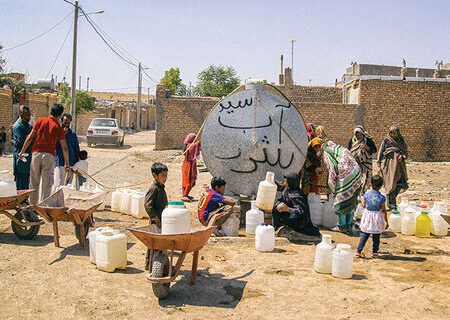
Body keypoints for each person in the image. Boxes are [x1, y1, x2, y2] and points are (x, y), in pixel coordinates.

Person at [19, 104, 69, 204]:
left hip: (36, 154)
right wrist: (67, 163)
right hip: (49, 156)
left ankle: (33, 207)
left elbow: (30, 137)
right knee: (47, 184)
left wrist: (22, 151)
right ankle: (43, 207)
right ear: (60, 115)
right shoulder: (58, 128)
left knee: (34, 182)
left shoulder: (39, 121)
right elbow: (64, 148)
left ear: (50, 111)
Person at [311, 137, 363, 233]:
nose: (317, 150)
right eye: (315, 148)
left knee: (341, 201)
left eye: (318, 147)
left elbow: (332, 170)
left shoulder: (326, 154)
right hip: (357, 174)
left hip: (346, 176)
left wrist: (332, 186)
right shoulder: (337, 148)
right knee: (351, 200)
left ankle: (342, 227)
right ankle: (349, 225)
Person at [272, 172, 321, 240]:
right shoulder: (288, 188)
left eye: (286, 181)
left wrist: (288, 209)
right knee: (276, 205)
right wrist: (271, 180)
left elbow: (301, 211)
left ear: (291, 182)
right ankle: (279, 227)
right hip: (291, 215)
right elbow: (280, 186)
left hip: (299, 221)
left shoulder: (296, 195)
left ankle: (288, 228)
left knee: (277, 210)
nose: (284, 182)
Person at [143, 162, 169, 269]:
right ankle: (151, 264)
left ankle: (151, 264)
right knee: (154, 243)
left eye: (166, 175)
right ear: (155, 176)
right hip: (156, 220)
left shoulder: (161, 187)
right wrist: (155, 217)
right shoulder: (154, 188)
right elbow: (147, 204)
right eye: (163, 175)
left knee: (155, 243)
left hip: (161, 219)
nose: (165, 177)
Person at [356, 175, 388, 258]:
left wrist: (360, 199)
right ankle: (375, 252)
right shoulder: (381, 197)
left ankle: (358, 251)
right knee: (376, 235)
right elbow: (383, 210)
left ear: (371, 184)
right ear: (381, 186)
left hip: (368, 216)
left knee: (364, 234)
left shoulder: (366, 195)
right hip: (377, 216)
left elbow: (363, 205)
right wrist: (386, 221)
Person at [377, 126, 409, 210]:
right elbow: (381, 152)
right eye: (391, 133)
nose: (392, 135)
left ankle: (391, 200)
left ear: (398, 133)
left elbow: (406, 152)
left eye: (394, 133)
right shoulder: (386, 141)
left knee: (400, 183)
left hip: (399, 166)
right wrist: (379, 163)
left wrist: (402, 156)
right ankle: (392, 204)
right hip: (388, 165)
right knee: (390, 183)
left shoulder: (401, 141)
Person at [53, 113, 80, 190]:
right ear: (61, 121)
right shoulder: (57, 132)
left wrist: (77, 162)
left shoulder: (73, 134)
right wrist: (62, 135)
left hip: (71, 163)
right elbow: (54, 145)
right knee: (58, 185)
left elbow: (76, 148)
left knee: (68, 186)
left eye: (68, 123)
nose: (67, 125)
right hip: (60, 163)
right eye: (65, 122)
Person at [348, 126, 377, 194]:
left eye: (360, 135)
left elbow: (374, 150)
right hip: (356, 163)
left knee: (367, 178)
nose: (358, 137)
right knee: (356, 178)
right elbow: (349, 151)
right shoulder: (352, 141)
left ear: (362, 134)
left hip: (366, 162)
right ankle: (357, 192)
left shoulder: (368, 140)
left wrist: (367, 147)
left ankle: (364, 192)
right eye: (357, 135)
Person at [12, 106, 33, 190]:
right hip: (20, 156)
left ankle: (25, 198)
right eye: (26, 115)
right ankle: (20, 200)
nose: (28, 117)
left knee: (27, 179)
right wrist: (31, 137)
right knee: (20, 179)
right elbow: (23, 140)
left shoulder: (29, 126)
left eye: (29, 115)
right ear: (21, 115)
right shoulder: (17, 127)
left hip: (28, 156)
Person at [181, 133, 201, 202]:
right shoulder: (191, 146)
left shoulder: (187, 145)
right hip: (189, 165)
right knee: (189, 180)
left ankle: (185, 194)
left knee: (185, 180)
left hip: (186, 164)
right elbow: (197, 144)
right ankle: (185, 195)